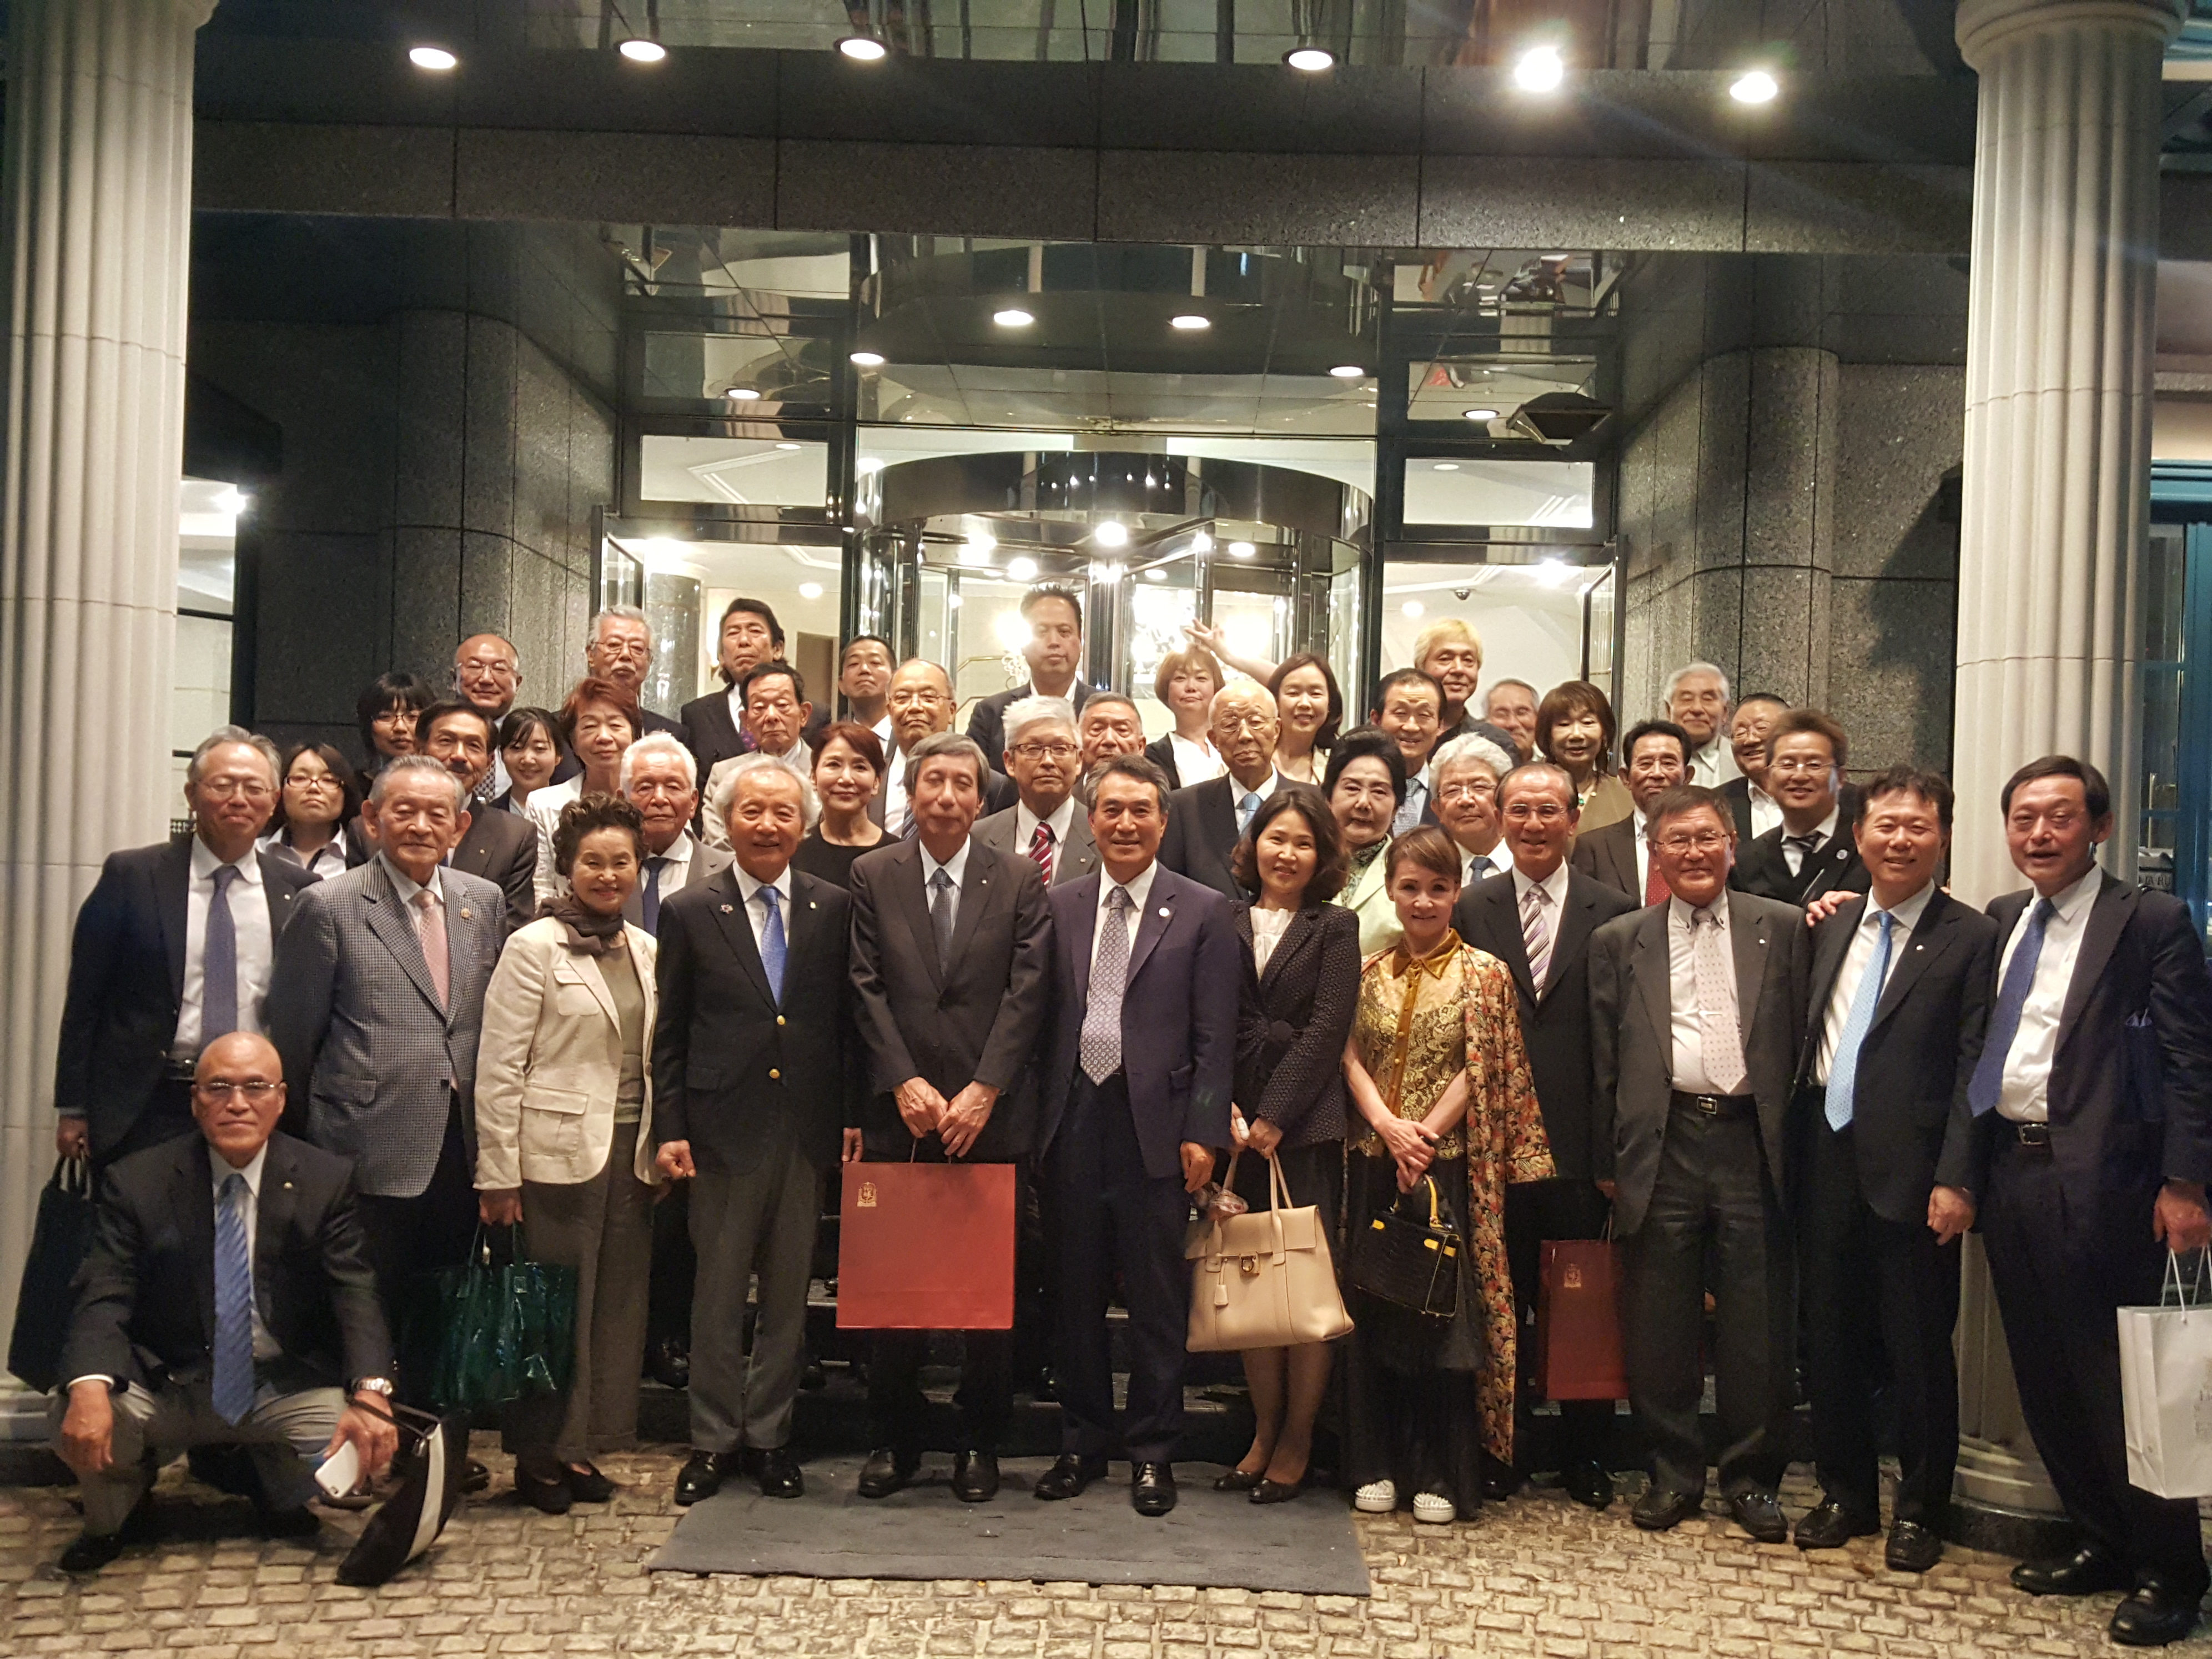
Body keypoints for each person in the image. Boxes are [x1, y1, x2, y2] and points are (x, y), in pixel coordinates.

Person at [1974, 756, 2212, 1646]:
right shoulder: (2005, 916)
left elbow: (2191, 1059)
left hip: (2111, 1183)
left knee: (2124, 1384)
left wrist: (2185, 1183)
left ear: (2100, 828)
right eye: (2024, 818)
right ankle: (2101, 1540)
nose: (2039, 833)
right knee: (2045, 1375)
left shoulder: (2150, 920)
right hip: (2013, 1170)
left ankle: (2171, 1572)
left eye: (2060, 817)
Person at [49, 1032, 399, 1575]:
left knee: (357, 1440)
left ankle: (271, 1477)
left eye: (255, 1087)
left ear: (280, 1099)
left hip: (276, 1387)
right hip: (170, 1386)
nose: (237, 1103)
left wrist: (372, 1391)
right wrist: (89, 1387)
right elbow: (104, 1292)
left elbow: (355, 1291)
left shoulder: (324, 1180)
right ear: (195, 1101)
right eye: (219, 1087)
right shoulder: (137, 1181)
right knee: (74, 1412)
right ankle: (121, 1501)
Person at [1588, 785, 1809, 1542]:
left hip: (1754, 1140)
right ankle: (1672, 1473)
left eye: (1707, 838)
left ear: (1732, 846)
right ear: (1656, 853)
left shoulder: (1784, 929)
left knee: (1758, 1319)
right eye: (1677, 841)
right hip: (1664, 1139)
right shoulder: (1621, 940)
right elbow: (1604, 1061)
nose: (1694, 853)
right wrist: (1608, 1160)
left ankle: (1751, 1478)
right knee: (1660, 1316)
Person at [1789, 767, 1996, 1572]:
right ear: (1858, 836)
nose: (1900, 840)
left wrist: (1958, 1176)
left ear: (1943, 837)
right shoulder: (1832, 921)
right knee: (1830, 1339)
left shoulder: (1973, 937)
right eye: (1886, 825)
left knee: (1918, 1349)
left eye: (1918, 826)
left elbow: (1977, 1064)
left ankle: (1920, 1509)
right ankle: (1845, 1494)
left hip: (1917, 1173)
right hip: (1825, 1153)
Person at [847, 732, 1052, 1504]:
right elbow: (863, 984)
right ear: (910, 792)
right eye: (933, 781)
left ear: (981, 796)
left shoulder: (1019, 877)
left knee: (986, 1294)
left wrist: (985, 1088)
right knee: (895, 1288)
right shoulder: (874, 874)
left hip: (987, 1116)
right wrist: (903, 1080)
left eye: (963, 784)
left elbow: (1029, 988)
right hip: (901, 1115)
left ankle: (979, 1441)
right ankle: (893, 1437)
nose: (947, 797)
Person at [266, 756, 506, 1409]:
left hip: (460, 1144)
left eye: (437, 813)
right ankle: (359, 1430)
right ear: (371, 818)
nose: (420, 825)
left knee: (443, 1305)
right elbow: (294, 1040)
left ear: (459, 826)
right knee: (364, 1307)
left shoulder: (482, 902)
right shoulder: (328, 905)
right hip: (362, 1145)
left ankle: (425, 1438)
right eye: (404, 810)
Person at [1032, 756, 1238, 1517]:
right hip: (1071, 1120)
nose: (1126, 824)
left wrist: (1205, 1130)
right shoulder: (1057, 905)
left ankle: (1154, 1452)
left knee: (1157, 1300)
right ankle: (1081, 1443)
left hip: (1160, 1129)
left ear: (1164, 820)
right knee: (1075, 1295)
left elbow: (1216, 1036)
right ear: (1092, 822)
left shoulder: (1204, 910)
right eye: (1112, 810)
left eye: (1140, 810)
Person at [653, 757, 857, 1506]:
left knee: (786, 1297)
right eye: (753, 811)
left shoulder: (834, 907)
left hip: (804, 1128)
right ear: (726, 822)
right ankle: (713, 1439)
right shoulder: (689, 909)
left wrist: (849, 1116)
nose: (768, 825)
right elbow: (670, 1033)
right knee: (715, 1294)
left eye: (783, 812)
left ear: (803, 825)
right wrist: (670, 1126)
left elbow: (845, 1025)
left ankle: (770, 1436)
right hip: (719, 1127)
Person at [1341, 826, 1552, 1526]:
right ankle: (1374, 1462)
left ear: (1457, 892)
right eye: (1410, 888)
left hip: (1448, 1168)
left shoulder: (1486, 974)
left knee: (1442, 1322)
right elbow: (1348, 1057)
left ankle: (1440, 1468)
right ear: (1390, 892)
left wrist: (1423, 1137)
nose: (1423, 902)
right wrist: (1387, 1126)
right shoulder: (1367, 971)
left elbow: (1482, 1064)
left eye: (1437, 888)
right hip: (1373, 1163)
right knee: (1374, 1314)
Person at [1451, 763, 1637, 1510]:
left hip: (1580, 1147)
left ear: (1573, 820)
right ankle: (1505, 1446)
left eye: (1548, 811)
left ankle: (1586, 1453)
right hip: (1492, 1144)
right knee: (1502, 1304)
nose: (1533, 824)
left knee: (1582, 1304)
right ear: (1500, 819)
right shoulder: (1471, 906)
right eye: (1520, 811)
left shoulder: (1614, 910)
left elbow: (1627, 1038)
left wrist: (1612, 1153)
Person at [474, 794, 663, 1515]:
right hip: (551, 1159)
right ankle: (537, 1456)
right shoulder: (534, 946)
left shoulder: (645, 949)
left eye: (621, 862)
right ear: (568, 867)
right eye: (593, 862)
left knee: (614, 1309)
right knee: (552, 1313)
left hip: (629, 1154)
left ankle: (582, 1446)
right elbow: (500, 1065)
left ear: (638, 869)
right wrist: (497, 1173)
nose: (608, 875)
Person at [55, 728, 318, 1169]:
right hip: (148, 1099)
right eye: (223, 785)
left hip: (253, 1102)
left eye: (254, 788)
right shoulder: (133, 875)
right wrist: (73, 1106)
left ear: (274, 801)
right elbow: (86, 996)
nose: (239, 799)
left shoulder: (300, 891)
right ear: (192, 795)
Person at [1216, 787, 1360, 1504]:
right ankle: (1264, 1430)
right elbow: (1206, 1020)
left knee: (1301, 1293)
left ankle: (1299, 1437)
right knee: (1251, 1288)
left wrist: (1274, 1114)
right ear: (1254, 845)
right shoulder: (1221, 917)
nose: (1288, 854)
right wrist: (1223, 1107)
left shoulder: (1335, 926)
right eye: (1277, 838)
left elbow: (1329, 1027)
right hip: (1233, 1131)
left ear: (1321, 855)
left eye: (1304, 843)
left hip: (1305, 1130)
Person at [617, 731, 733, 1395]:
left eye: (672, 787)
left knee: (685, 1218)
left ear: (695, 800)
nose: (658, 798)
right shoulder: (604, 864)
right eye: (645, 786)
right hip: (615, 1059)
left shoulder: (727, 868)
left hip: (701, 1062)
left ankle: (669, 1336)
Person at [365, 699, 536, 933]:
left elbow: (513, 929)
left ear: (489, 763)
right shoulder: (372, 827)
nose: (459, 756)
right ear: (420, 750)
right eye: (446, 741)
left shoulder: (515, 836)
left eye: (473, 746)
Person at [1158, 682, 1282, 901]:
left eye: (1256, 722)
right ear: (1214, 739)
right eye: (1230, 725)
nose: (1245, 735)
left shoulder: (1311, 801)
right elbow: (1170, 892)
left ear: (1276, 730)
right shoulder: (1184, 808)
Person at [1732, 710, 1868, 906]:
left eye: (1814, 765)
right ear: (1768, 779)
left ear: (1840, 778)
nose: (1799, 776)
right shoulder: (1747, 862)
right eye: (1787, 765)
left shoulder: (1868, 847)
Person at [527, 679, 639, 909]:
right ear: (574, 743)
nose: (604, 737)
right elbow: (541, 889)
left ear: (634, 736)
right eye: (589, 727)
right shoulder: (543, 804)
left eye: (615, 725)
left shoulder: (652, 800)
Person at [879, 657, 1015, 834]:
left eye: (928, 697)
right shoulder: (870, 777)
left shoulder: (994, 786)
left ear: (952, 711)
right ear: (890, 710)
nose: (915, 707)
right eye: (902, 698)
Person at [975, 696, 1099, 888]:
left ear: (1078, 760)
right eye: (1033, 749)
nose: (1048, 761)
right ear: (1010, 762)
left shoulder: (1104, 836)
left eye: (1060, 748)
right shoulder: (977, 839)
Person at [967, 583, 1092, 764]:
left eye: (1064, 632)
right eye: (1041, 632)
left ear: (1080, 640)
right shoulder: (990, 714)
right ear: (1023, 643)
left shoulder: (1106, 710)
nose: (1054, 642)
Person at [1570, 720, 1690, 905]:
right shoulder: (1594, 847)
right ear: (1626, 778)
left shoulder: (1711, 843)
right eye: (1645, 764)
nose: (1657, 774)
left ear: (1687, 776)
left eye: (1668, 763)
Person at [679, 597, 788, 782]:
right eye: (733, 633)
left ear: (777, 649)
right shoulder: (696, 715)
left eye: (755, 631)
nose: (744, 641)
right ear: (721, 655)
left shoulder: (812, 716)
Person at [1326, 727, 1410, 956]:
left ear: (1397, 806)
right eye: (1352, 788)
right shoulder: (1304, 862)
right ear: (1328, 797)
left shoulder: (1413, 870)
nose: (1363, 803)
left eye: (1379, 792)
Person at [790, 721, 887, 888]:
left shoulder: (899, 857)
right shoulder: (794, 850)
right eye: (833, 765)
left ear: (876, 782)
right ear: (813, 777)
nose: (846, 779)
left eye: (860, 767)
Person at [1536, 681, 1631, 832]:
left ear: (1604, 733)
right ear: (1548, 735)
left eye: (1588, 723)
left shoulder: (1624, 796)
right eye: (1564, 724)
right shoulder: (1528, 788)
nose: (1577, 735)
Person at [582, 606, 687, 743]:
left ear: (650, 661)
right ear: (591, 655)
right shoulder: (561, 729)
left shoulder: (674, 737)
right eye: (614, 645)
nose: (625, 654)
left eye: (637, 648)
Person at [1413, 620, 1517, 752]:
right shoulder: (1400, 734)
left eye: (1468, 660)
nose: (1459, 669)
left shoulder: (1495, 742)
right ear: (1420, 667)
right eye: (1445, 659)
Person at [260, 741, 359, 881]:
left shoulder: (364, 858)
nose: (314, 788)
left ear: (346, 793)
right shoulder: (254, 852)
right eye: (300, 778)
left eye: (328, 780)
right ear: (280, 790)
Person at [1431, 733, 1516, 885]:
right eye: (1452, 790)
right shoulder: (1427, 870)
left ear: (1505, 797)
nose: (1465, 800)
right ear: (1437, 809)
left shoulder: (1529, 864)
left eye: (1479, 787)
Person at [1369, 669, 1445, 834]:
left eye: (1424, 715)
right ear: (1376, 720)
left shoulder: (1447, 791)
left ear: (1440, 725)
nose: (1411, 727)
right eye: (1401, 713)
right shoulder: (1356, 788)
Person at [453, 634, 524, 802]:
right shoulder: (430, 733)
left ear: (518, 682)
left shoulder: (542, 738)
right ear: (454, 678)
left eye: (500, 669)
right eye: (474, 667)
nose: (486, 679)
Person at [1144, 644, 1226, 790]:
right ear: (1166, 689)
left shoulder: (1233, 743)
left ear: (1216, 687)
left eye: (1201, 678)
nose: (1191, 687)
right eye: (1180, 678)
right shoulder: (1155, 756)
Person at [1717, 693, 1787, 842]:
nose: (1750, 740)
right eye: (1740, 733)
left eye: (1762, 728)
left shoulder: (1825, 797)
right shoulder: (1716, 802)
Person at [354, 670, 433, 797]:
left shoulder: (447, 785)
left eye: (413, 717)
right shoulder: (351, 791)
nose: (400, 727)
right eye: (386, 716)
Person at [1268, 653, 1343, 786]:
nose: (1304, 703)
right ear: (1276, 701)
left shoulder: (1336, 771)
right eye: (1293, 693)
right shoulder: (1253, 761)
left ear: (1330, 704)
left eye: (1315, 694)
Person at [1662, 661, 1736, 786]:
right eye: (1687, 699)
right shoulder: (1643, 764)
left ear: (1725, 712)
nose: (1697, 709)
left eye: (1708, 699)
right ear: (1669, 710)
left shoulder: (1744, 764)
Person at [734, 661, 813, 768]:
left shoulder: (824, 770)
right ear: (746, 721)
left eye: (782, 705)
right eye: (759, 707)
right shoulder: (725, 773)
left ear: (803, 715)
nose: (771, 716)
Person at [495, 707, 566, 817]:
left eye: (539, 749)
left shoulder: (575, 814)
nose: (528, 760)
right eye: (517, 748)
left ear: (558, 756)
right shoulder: (485, 818)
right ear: (502, 754)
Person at [837, 634, 896, 746]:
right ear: (841, 685)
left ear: (895, 679)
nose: (864, 669)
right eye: (854, 664)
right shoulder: (836, 744)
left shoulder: (909, 739)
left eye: (875, 662)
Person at [1077, 692, 1147, 773]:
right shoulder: (1066, 781)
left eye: (1122, 730)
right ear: (1078, 742)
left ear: (1140, 747)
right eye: (1097, 729)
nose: (1109, 739)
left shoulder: (1154, 782)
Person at [1482, 679, 1541, 763]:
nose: (1512, 723)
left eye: (1522, 713)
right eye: (1501, 714)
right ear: (1486, 722)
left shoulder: (1553, 768)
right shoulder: (1471, 768)